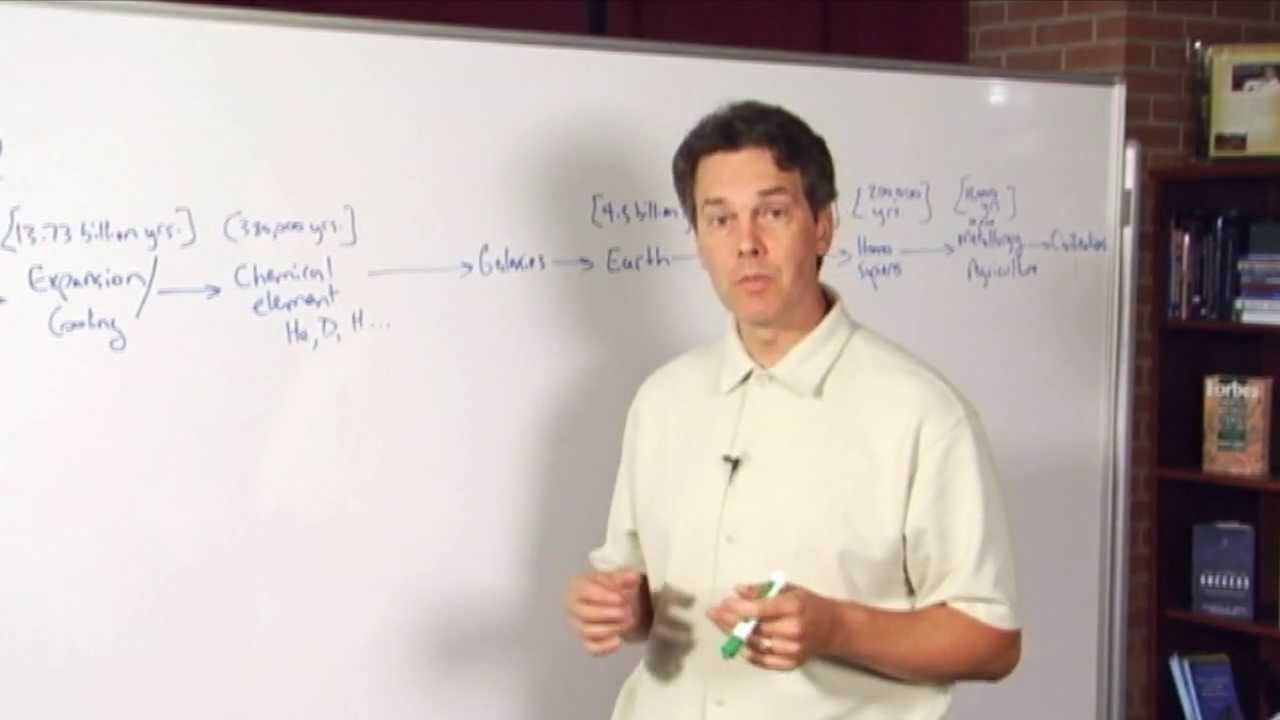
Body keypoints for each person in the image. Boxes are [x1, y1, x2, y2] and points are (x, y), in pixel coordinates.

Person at [564, 100, 1021, 719]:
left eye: (772, 213)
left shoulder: (921, 413)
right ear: (698, 242)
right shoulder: (662, 401)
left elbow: (991, 641)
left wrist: (836, 628)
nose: (746, 244)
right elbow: (643, 590)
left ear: (823, 227)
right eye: (719, 219)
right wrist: (621, 607)